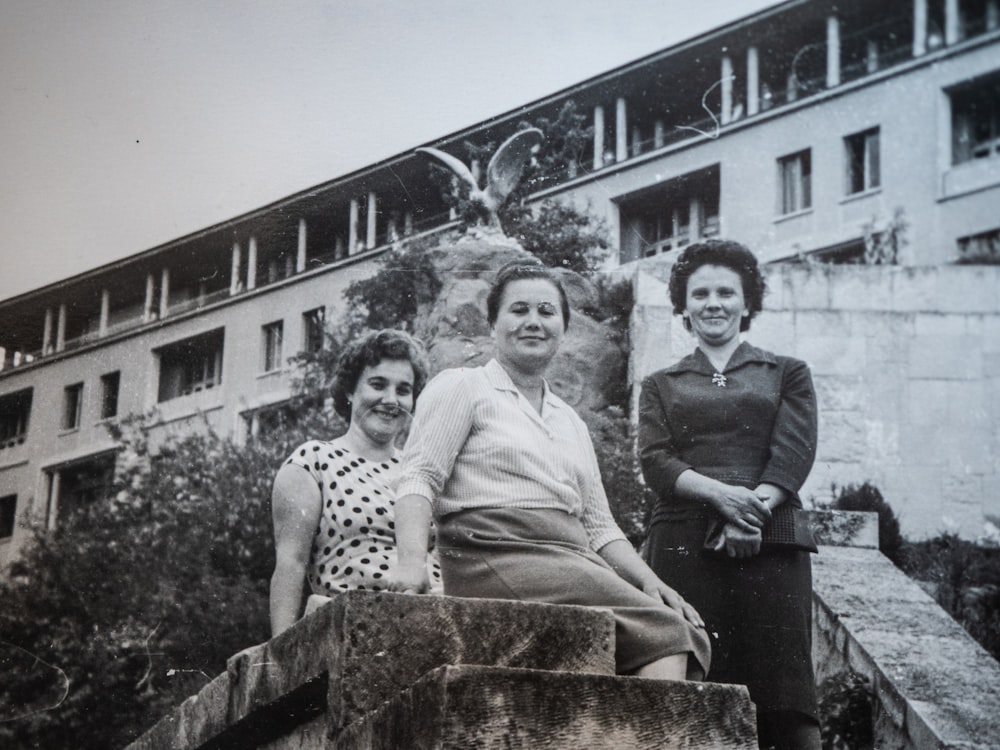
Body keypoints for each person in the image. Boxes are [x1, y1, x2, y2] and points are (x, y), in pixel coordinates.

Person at [389, 259, 710, 681]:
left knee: (679, 625)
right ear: (493, 324)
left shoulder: (569, 420)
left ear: (562, 327)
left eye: (546, 311)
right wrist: (411, 562)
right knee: (667, 632)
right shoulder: (463, 387)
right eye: (518, 310)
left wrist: (651, 583)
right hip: (493, 551)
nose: (533, 322)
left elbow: (599, 526)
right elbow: (418, 477)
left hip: (570, 559)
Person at [638, 239, 820, 749]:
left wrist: (748, 514)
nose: (712, 303)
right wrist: (725, 499)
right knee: (695, 690)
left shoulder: (788, 372)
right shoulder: (660, 383)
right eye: (699, 294)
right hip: (685, 544)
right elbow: (656, 461)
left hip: (772, 540)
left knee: (784, 695)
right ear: (684, 305)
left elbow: (793, 454)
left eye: (725, 292)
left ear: (746, 302)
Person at [269, 329, 443, 636]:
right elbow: (291, 564)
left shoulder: (422, 471)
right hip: (354, 628)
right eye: (378, 384)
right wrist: (279, 656)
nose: (391, 400)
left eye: (404, 390)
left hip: (435, 620)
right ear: (350, 390)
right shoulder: (314, 461)